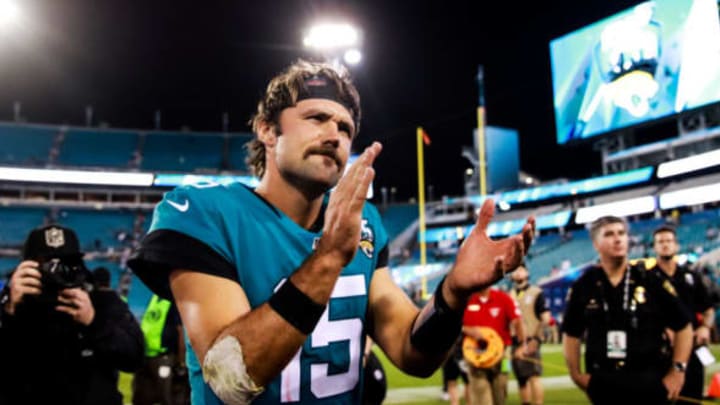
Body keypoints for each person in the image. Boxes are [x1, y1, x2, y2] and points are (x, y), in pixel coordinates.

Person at [127, 59, 535, 404]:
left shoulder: (366, 224)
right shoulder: (203, 212)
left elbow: (413, 353)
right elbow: (229, 378)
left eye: (344, 128)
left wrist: (453, 293)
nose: (334, 135)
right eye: (316, 118)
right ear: (268, 131)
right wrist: (328, 258)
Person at [0, 224, 144, 405]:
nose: (56, 273)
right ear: (27, 268)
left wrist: (93, 321)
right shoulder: (12, 304)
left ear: (80, 267)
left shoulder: (101, 301)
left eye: (66, 265)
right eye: (47, 266)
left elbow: (133, 358)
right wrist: (9, 312)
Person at [562, 216, 693, 404]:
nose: (617, 239)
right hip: (604, 381)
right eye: (609, 234)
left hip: (649, 380)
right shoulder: (585, 284)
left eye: (621, 233)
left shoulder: (650, 279)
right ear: (596, 244)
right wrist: (576, 374)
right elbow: (571, 333)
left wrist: (678, 371)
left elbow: (684, 326)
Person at [648, 224, 715, 405]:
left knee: (691, 399)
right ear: (654, 247)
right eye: (660, 242)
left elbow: (708, 309)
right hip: (660, 353)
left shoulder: (690, 276)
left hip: (692, 350)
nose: (665, 245)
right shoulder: (647, 279)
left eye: (669, 241)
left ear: (676, 245)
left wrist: (705, 328)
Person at [462, 286, 526, 405]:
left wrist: (522, 345)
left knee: (501, 389)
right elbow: (456, 325)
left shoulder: (503, 298)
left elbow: (517, 321)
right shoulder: (466, 300)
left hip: (504, 354)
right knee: (479, 391)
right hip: (475, 355)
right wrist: (468, 329)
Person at [133, 293, 191, 405]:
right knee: (142, 396)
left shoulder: (172, 302)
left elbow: (181, 332)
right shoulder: (155, 298)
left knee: (167, 397)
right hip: (147, 356)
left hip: (164, 357)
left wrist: (181, 361)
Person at [509, 262, 551, 405]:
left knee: (534, 376)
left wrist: (537, 340)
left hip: (531, 340)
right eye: (515, 270)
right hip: (515, 341)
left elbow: (545, 318)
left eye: (521, 269)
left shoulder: (536, 292)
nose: (518, 273)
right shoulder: (509, 294)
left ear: (527, 273)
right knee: (521, 379)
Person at [440, 337, 469, 405]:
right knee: (467, 383)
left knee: (453, 382)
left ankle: (455, 403)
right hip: (463, 354)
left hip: (451, 353)